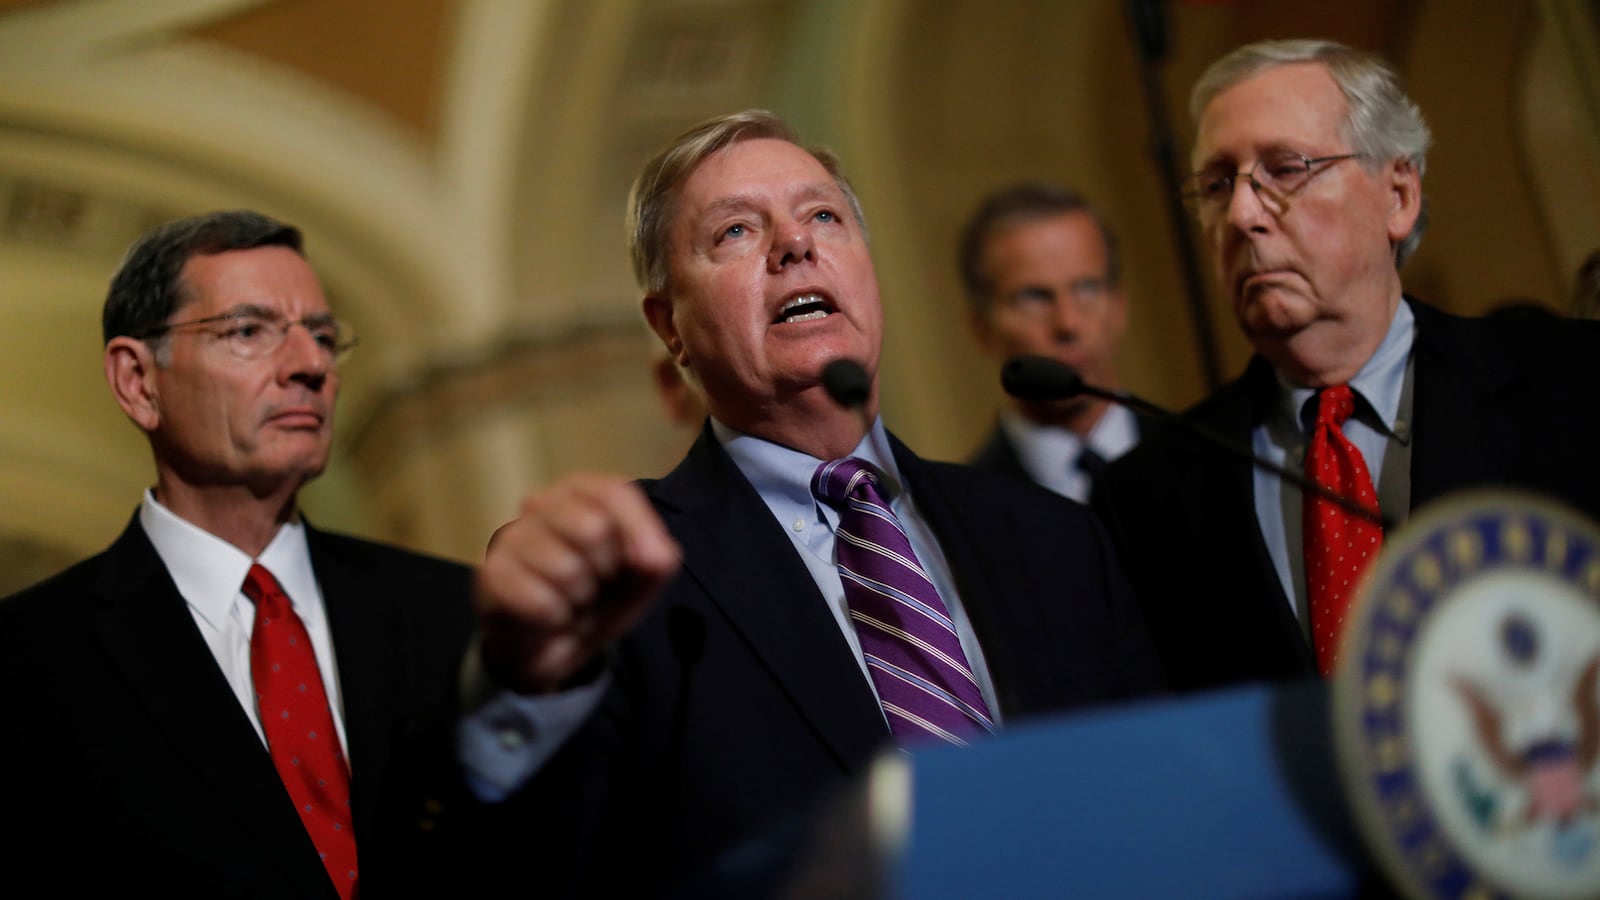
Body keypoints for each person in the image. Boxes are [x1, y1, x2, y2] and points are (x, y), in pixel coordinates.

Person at [413, 110, 1164, 897]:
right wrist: (525, 685)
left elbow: (1165, 810)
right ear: (669, 325)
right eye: (736, 231)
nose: (795, 245)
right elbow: (515, 867)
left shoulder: (1055, 539)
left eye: (824, 216)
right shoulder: (617, 586)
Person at [1092, 39, 1600, 694]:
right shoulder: (1146, 499)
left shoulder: (1573, 385)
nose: (1243, 215)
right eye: (1218, 184)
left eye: (1286, 168)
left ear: (1398, 196)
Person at [0, 211, 475, 898]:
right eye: (249, 332)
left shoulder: (457, 612)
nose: (311, 366)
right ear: (138, 381)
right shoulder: (26, 661)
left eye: (322, 335)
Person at [958, 182, 1142, 501]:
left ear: (1119, 304)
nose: (1067, 323)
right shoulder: (966, 512)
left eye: (1087, 288)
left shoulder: (1207, 460)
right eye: (1034, 297)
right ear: (981, 328)